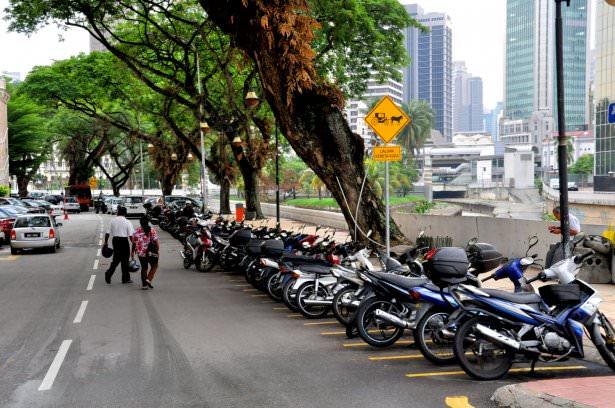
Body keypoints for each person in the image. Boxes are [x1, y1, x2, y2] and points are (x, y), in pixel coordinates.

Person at [104, 206, 135, 284]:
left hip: (116, 241)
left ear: (118, 212)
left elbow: (107, 233)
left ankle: (109, 273)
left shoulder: (112, 221)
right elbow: (131, 236)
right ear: (125, 213)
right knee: (125, 260)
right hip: (124, 241)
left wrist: (106, 242)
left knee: (116, 259)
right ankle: (125, 279)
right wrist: (134, 245)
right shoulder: (127, 222)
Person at [132, 216, 160, 290]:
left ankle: (144, 285)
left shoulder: (136, 231)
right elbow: (156, 242)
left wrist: (132, 252)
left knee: (144, 268)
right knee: (155, 265)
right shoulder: (152, 230)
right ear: (148, 222)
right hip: (151, 252)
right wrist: (158, 250)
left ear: (140, 222)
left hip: (141, 253)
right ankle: (148, 279)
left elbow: (134, 242)